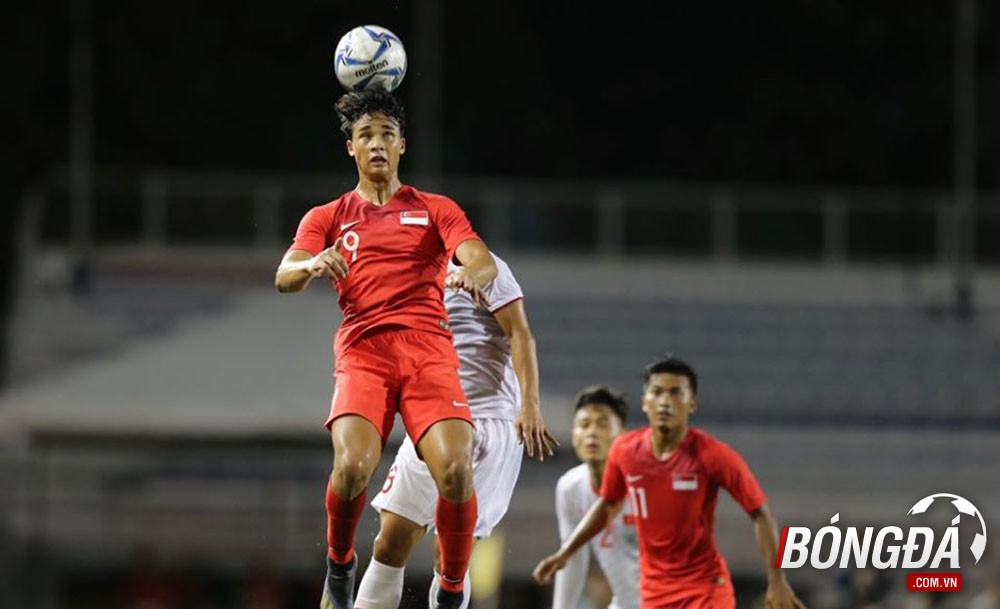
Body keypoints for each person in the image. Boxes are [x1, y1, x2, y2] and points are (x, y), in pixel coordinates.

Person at [275, 86, 498, 609]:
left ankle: (450, 589)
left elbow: (481, 259)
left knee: (456, 470)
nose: (377, 143)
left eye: (387, 134)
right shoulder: (327, 216)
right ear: (350, 147)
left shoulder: (435, 209)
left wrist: (471, 273)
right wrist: (311, 263)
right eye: (366, 135)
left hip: (428, 352)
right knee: (353, 467)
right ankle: (339, 563)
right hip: (364, 352)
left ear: (402, 145)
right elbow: (284, 275)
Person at [353, 251, 558, 609]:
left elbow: (520, 333)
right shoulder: (401, 273)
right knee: (389, 542)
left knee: (448, 555)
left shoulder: (482, 265)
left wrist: (530, 405)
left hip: (488, 419)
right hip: (433, 418)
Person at [534, 355, 806, 609]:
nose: (665, 401)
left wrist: (777, 579)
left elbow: (760, 513)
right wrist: (565, 553)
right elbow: (608, 505)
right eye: (657, 392)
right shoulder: (625, 452)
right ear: (645, 401)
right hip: (653, 594)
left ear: (691, 404)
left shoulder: (713, 455)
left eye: (675, 393)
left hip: (704, 589)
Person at [552, 385, 639, 609]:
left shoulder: (645, 483)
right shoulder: (570, 488)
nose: (592, 432)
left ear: (623, 435)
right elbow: (573, 559)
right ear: (574, 435)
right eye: (584, 424)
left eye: (602, 424)